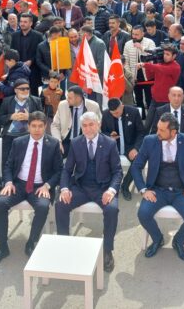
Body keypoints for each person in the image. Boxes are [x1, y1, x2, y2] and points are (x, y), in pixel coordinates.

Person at [0, 112, 63, 267]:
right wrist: (8, 182)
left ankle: (31, 241)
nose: (37, 130)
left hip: (40, 186)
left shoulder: (53, 144)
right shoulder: (19, 142)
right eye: (33, 126)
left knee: (42, 207)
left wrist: (47, 185)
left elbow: (59, 171)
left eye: (40, 126)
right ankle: (2, 246)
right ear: (28, 126)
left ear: (45, 126)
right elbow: (8, 165)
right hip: (18, 185)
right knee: (0, 203)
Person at [132, 113, 184, 262]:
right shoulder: (149, 141)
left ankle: (178, 241)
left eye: (161, 130)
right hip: (157, 190)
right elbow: (136, 166)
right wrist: (143, 190)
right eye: (157, 128)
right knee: (143, 214)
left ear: (173, 132)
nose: (157, 132)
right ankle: (157, 238)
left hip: (182, 192)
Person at [55, 112, 122, 272]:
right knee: (60, 204)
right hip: (82, 187)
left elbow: (118, 171)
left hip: (103, 188)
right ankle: (64, 244)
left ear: (98, 125)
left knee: (112, 209)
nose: (88, 128)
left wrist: (112, 190)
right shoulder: (76, 143)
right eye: (84, 125)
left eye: (91, 124)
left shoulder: (109, 143)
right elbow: (67, 170)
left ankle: (107, 250)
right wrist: (65, 188)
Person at [101, 98, 145, 200]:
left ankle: (125, 186)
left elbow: (141, 132)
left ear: (122, 106)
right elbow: (103, 132)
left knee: (138, 161)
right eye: (113, 113)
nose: (115, 115)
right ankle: (107, 185)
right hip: (113, 145)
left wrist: (136, 148)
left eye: (117, 112)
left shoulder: (133, 112)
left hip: (130, 146)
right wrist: (109, 136)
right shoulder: (106, 114)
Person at [50, 85, 102, 154]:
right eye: (67, 97)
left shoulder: (93, 106)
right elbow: (55, 125)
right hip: (65, 140)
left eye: (70, 98)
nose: (67, 99)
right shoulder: (62, 105)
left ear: (78, 98)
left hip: (85, 140)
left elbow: (98, 126)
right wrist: (58, 141)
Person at [9, 14, 44, 95]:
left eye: (25, 22)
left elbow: (40, 53)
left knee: (33, 95)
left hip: (33, 71)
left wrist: (31, 61)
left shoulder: (38, 36)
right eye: (21, 21)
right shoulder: (14, 35)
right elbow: (12, 52)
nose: (22, 24)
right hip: (18, 71)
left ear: (31, 23)